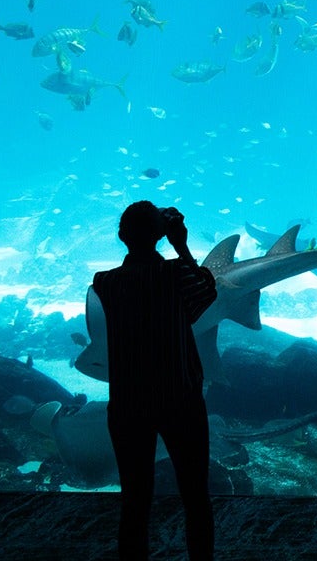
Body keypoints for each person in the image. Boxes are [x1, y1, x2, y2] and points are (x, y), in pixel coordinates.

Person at [84, 201, 218, 560]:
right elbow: (206, 295)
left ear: (121, 237)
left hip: (129, 404)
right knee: (195, 496)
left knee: (134, 500)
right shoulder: (176, 275)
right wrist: (182, 246)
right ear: (162, 234)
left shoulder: (105, 282)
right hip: (181, 400)